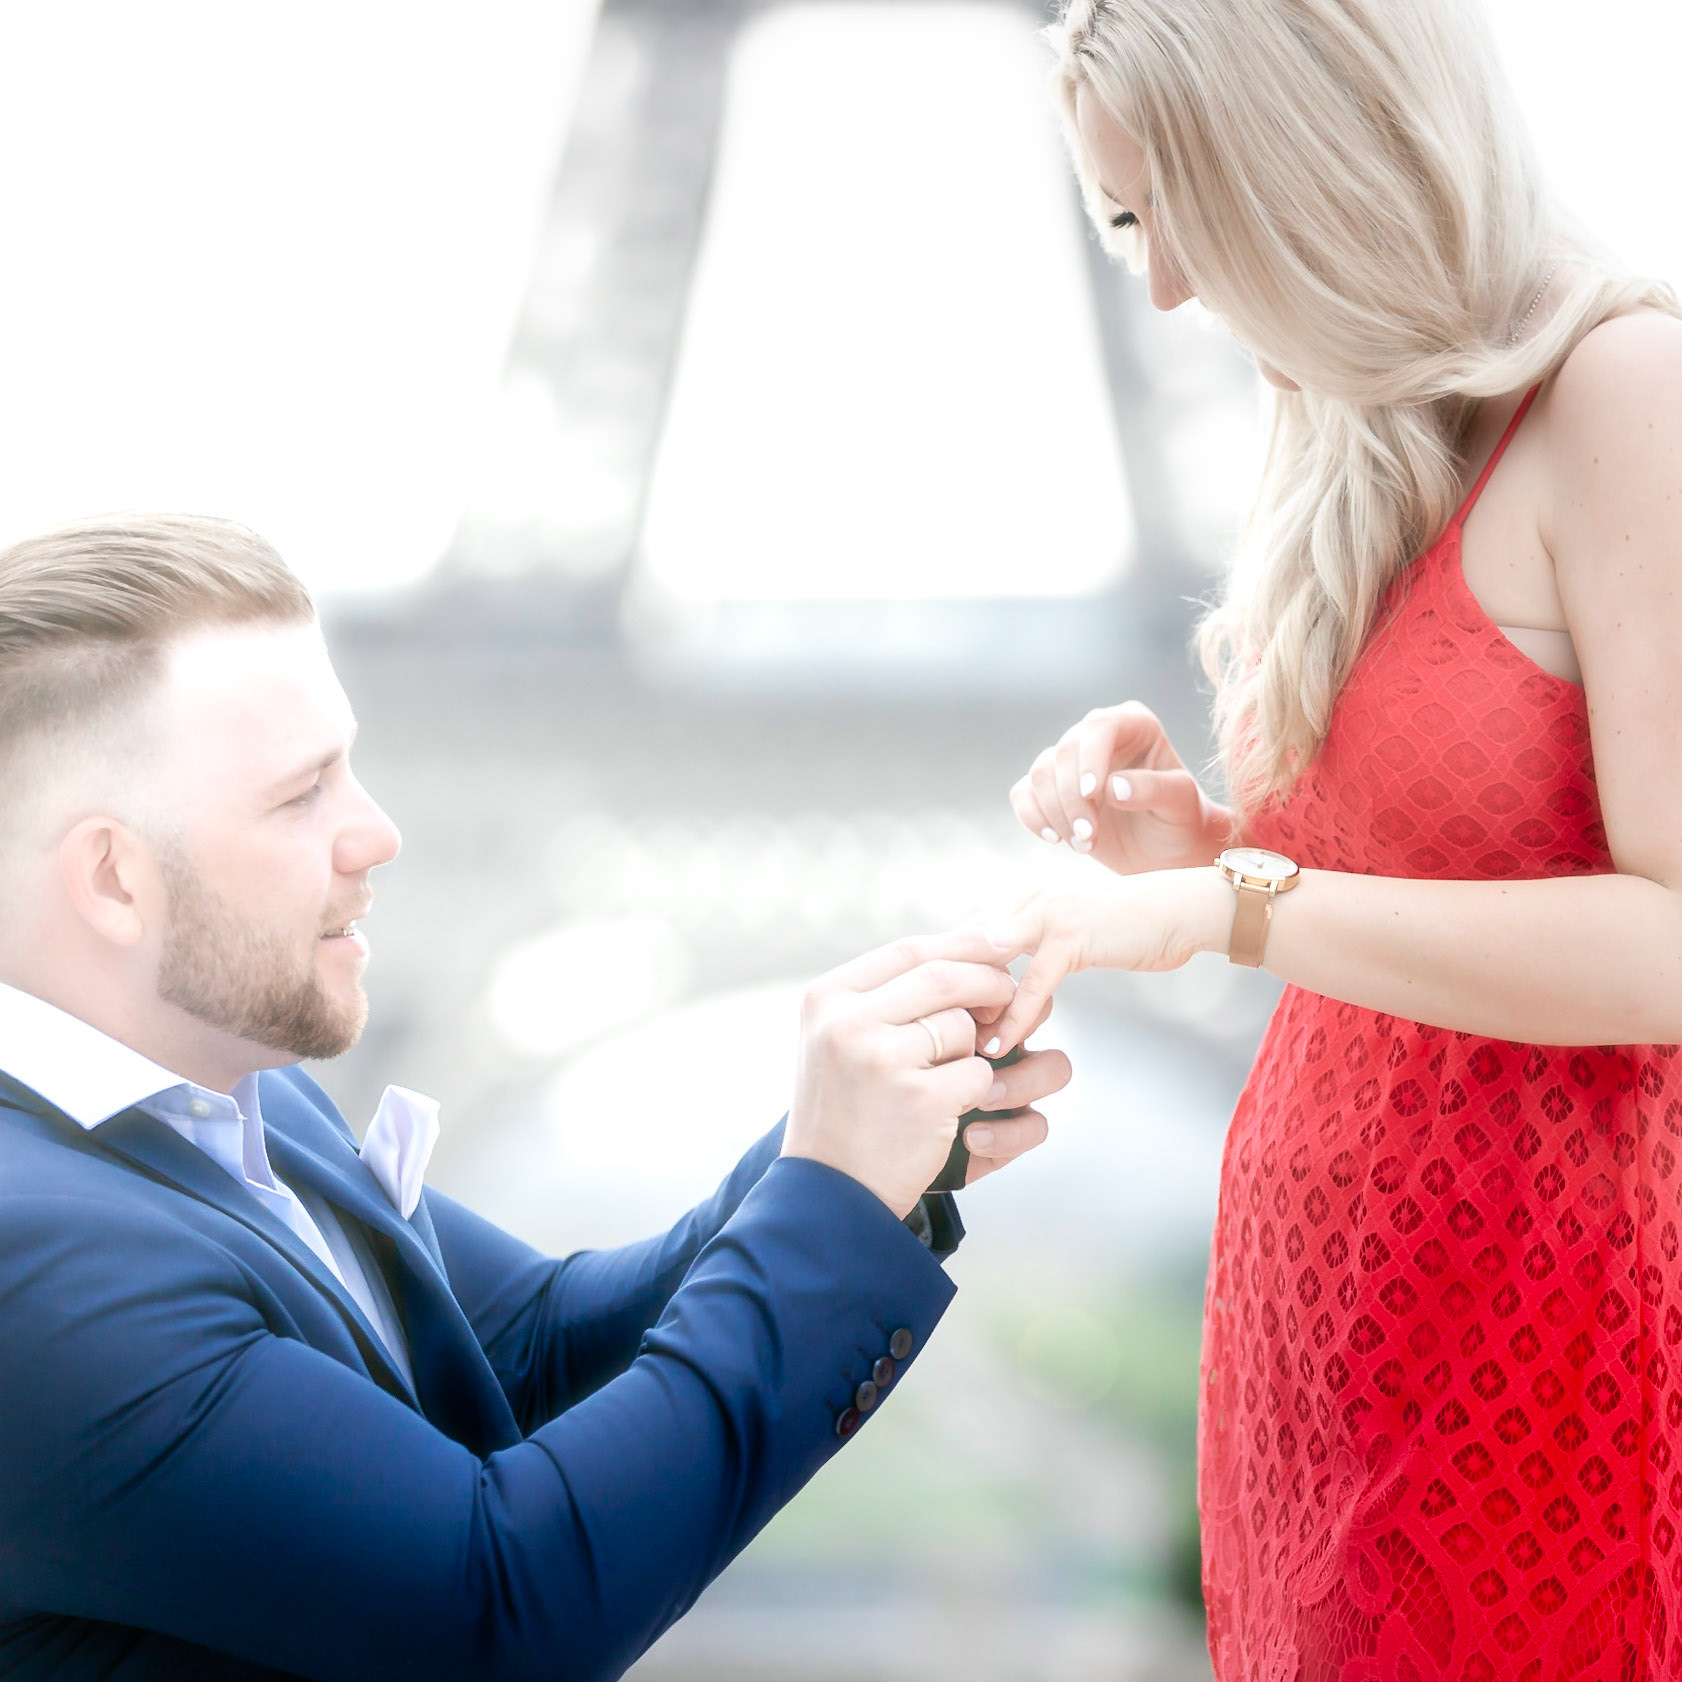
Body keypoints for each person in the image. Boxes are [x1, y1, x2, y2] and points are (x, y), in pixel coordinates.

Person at [0, 513, 1068, 1682]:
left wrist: (862, 1145)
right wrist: (831, 1197)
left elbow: (526, 1345)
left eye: (349, 764)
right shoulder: (35, 1261)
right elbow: (501, 1600)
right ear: (113, 875)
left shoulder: (236, 1094)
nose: (378, 831)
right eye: (300, 794)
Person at [976, 0, 1682, 1675]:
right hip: (1317, 1348)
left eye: (1179, 216)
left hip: (1542, 1355)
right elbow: (1414, 882)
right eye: (1120, 227)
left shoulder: (1624, 388)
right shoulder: (1347, 421)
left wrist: (1238, 902)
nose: (1160, 288)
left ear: (1309, 159)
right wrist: (1197, 845)